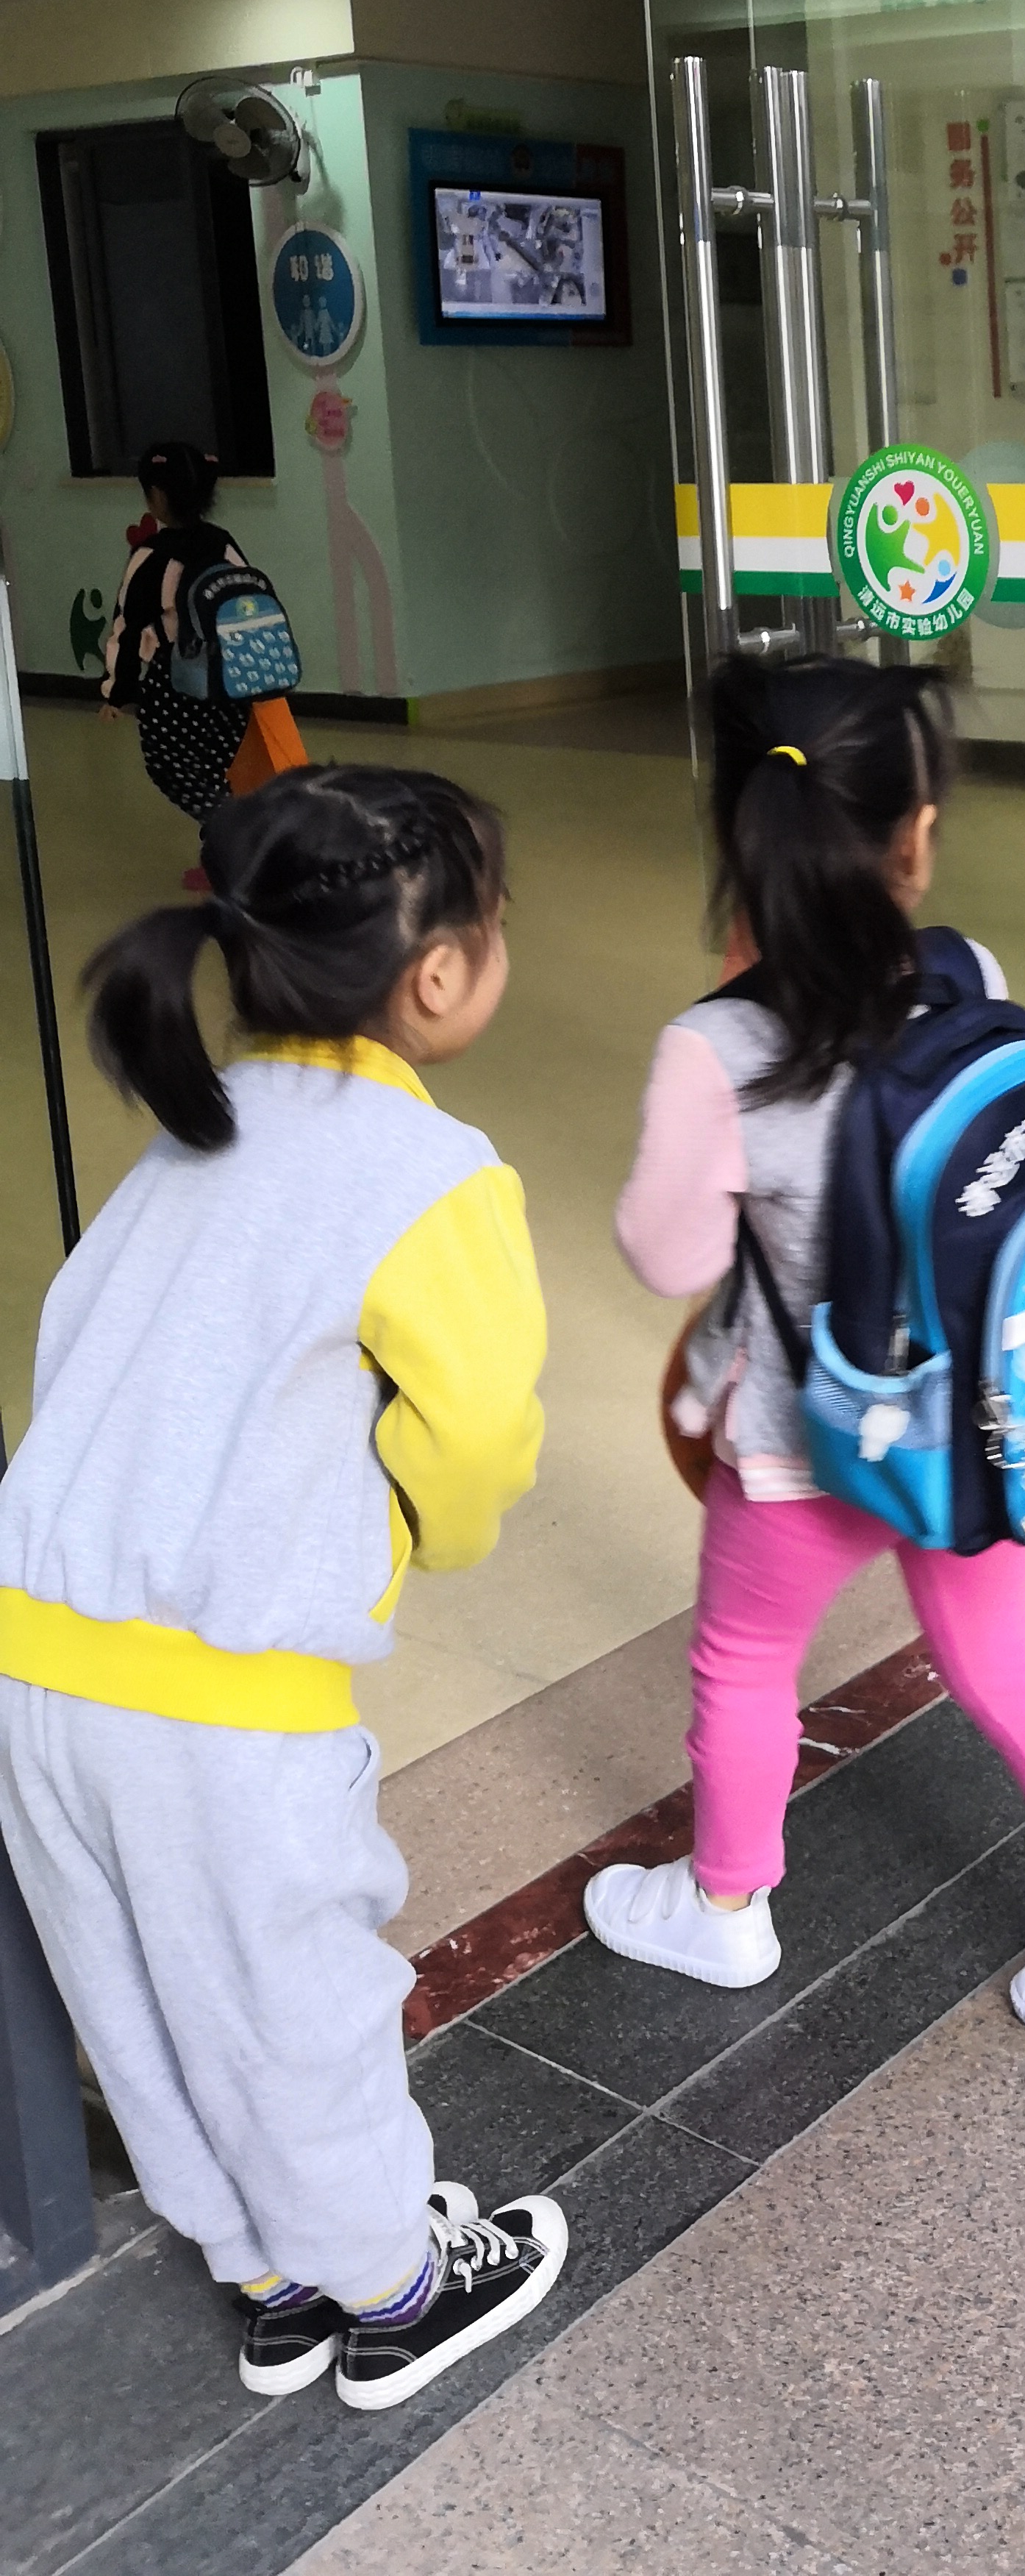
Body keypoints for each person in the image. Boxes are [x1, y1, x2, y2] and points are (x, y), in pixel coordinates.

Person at [0, 768, 561, 2411]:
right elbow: (478, 1437)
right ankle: (393, 2286)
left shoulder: (186, 1139)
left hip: (33, 1667)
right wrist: (421, 1533)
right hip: (221, 1700)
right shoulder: (431, 1170)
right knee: (294, 1997)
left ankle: (270, 2276)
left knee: (140, 1992)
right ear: (439, 972)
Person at [596, 654, 1025, 2055]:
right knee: (1003, 1660)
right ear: (917, 836)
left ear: (739, 841)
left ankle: (726, 1904)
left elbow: (670, 1256)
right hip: (967, 1427)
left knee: (746, 1658)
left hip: (799, 1438)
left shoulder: (714, 1046)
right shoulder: (967, 972)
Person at [97, 441, 255, 866]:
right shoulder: (224, 543)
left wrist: (118, 692)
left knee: (168, 764)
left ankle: (233, 835)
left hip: (177, 682)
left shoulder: (150, 556)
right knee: (215, 763)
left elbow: (127, 628)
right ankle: (228, 846)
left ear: (157, 496)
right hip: (231, 680)